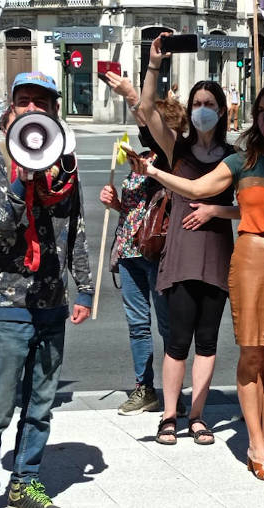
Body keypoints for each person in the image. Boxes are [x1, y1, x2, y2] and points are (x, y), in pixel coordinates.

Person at [143, 82, 264, 481]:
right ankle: (255, 445)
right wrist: (154, 171)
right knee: (252, 355)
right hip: (249, 260)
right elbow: (196, 189)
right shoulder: (242, 161)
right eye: (262, 111)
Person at [0, 71, 93, 508]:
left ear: (55, 110)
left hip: (52, 301)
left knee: (41, 401)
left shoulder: (66, 165)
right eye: (25, 102)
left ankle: (27, 479)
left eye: (43, 102)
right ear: (12, 111)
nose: (34, 109)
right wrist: (24, 181)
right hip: (9, 303)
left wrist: (87, 290)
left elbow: (75, 233)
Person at [109, 35, 239, 445]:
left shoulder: (234, 155)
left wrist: (218, 210)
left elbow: (253, 208)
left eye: (209, 105)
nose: (203, 110)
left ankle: (197, 416)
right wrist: (152, 67)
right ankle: (169, 415)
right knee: (177, 341)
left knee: (207, 340)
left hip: (216, 253)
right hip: (181, 254)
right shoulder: (176, 149)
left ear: (221, 112)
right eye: (197, 104)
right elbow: (146, 110)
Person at [98, 98, 187, 417]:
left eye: (151, 123)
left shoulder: (172, 160)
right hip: (129, 251)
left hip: (158, 253)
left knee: (167, 326)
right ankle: (144, 389)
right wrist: (115, 204)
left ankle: (173, 392)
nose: (144, 129)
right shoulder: (144, 158)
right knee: (137, 324)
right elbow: (136, 211)